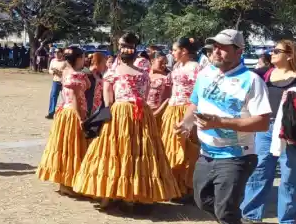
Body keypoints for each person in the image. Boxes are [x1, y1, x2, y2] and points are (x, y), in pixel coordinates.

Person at [176, 29, 271, 224]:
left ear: (239, 51)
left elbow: (262, 122)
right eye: (214, 47)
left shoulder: (251, 81)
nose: (216, 51)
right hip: (207, 152)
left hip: (237, 156)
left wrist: (221, 121)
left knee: (226, 210)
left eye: (223, 47)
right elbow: (194, 103)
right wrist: (186, 124)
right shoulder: (205, 74)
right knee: (202, 200)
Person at [72, 33, 180, 210]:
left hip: (122, 111)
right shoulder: (142, 74)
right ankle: (131, 195)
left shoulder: (113, 72)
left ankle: (112, 195)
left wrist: (110, 111)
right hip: (139, 113)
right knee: (136, 152)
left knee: (116, 152)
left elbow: (108, 100)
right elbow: (143, 97)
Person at [241, 39, 296, 224]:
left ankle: (288, 219)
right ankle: (250, 213)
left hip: (291, 131)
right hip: (265, 128)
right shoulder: (263, 74)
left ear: (290, 55)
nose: (271, 53)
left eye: (276, 50)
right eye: (271, 50)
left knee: (289, 173)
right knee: (259, 169)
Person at [37, 46, 90, 195]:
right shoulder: (74, 75)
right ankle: (68, 183)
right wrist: (81, 118)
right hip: (73, 113)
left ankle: (65, 182)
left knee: (65, 147)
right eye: (83, 57)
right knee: (72, 148)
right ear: (78, 58)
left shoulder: (67, 72)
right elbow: (74, 98)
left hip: (65, 112)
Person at [160, 38, 202, 196]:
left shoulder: (196, 67)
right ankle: (173, 185)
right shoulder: (177, 66)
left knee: (187, 148)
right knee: (170, 146)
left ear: (184, 51)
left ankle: (187, 187)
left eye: (175, 49)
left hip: (187, 110)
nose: (172, 52)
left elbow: (199, 93)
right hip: (173, 108)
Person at [147, 53, 172, 123]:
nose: (164, 65)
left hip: (157, 114)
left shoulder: (166, 78)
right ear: (152, 61)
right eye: (161, 62)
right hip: (142, 113)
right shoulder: (143, 75)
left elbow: (167, 99)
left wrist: (157, 112)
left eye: (165, 63)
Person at [46, 49, 67, 119]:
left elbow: (67, 72)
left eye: (58, 52)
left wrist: (59, 72)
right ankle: (51, 113)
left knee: (66, 98)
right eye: (55, 52)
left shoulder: (65, 62)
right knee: (53, 96)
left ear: (62, 53)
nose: (56, 54)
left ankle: (66, 113)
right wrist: (53, 72)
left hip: (64, 82)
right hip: (55, 81)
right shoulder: (53, 61)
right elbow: (50, 70)